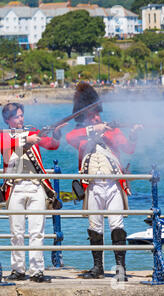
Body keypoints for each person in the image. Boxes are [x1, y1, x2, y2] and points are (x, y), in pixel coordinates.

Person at [65, 82, 142, 281]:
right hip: (91, 185)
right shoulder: (80, 133)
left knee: (117, 225)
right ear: (85, 117)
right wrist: (93, 129)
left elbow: (129, 149)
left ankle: (120, 269)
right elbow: (69, 137)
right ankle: (97, 267)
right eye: (92, 115)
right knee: (95, 227)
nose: (97, 117)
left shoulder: (112, 131)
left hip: (113, 184)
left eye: (97, 113)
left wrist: (133, 135)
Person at [0, 102, 66, 283]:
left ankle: (37, 271)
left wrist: (56, 133)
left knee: (37, 232)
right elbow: (3, 145)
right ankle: (18, 269)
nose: (21, 119)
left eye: (21, 115)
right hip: (15, 187)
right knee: (16, 232)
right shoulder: (3, 135)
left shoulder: (32, 132)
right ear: (8, 120)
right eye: (17, 116)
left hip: (36, 187)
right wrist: (27, 140)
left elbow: (52, 145)